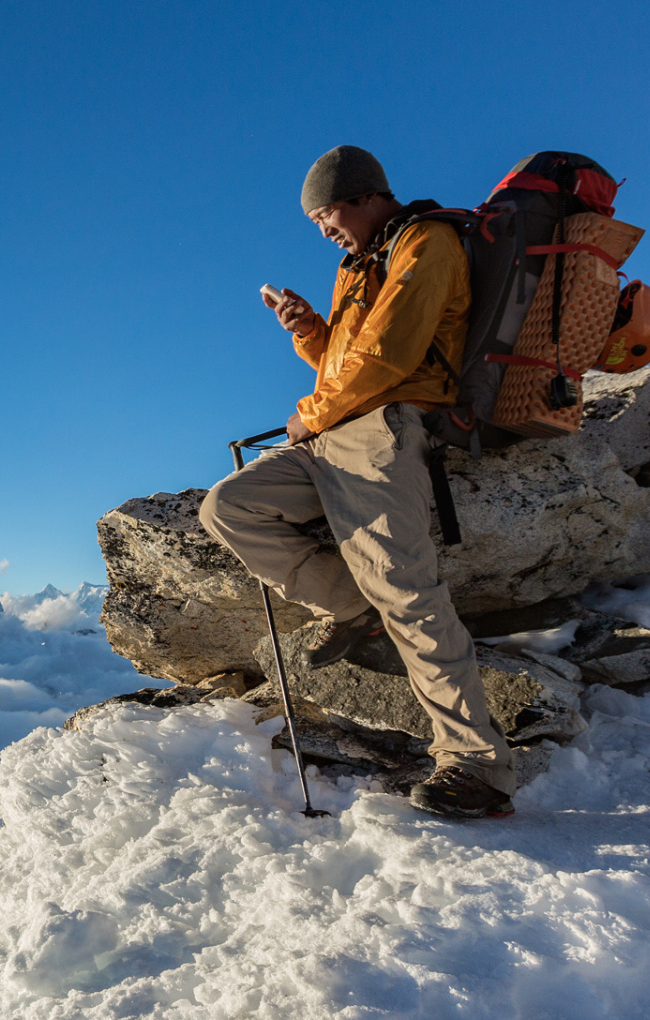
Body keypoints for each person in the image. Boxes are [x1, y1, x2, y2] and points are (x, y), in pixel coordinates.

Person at [199, 145, 516, 818]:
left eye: (327, 214)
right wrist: (311, 331)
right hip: (336, 430)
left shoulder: (426, 243)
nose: (324, 230)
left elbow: (389, 357)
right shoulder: (360, 264)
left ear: (368, 195)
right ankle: (349, 606)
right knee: (229, 507)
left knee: (407, 589)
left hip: (385, 431)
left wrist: (309, 415)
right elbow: (344, 362)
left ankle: (476, 764)